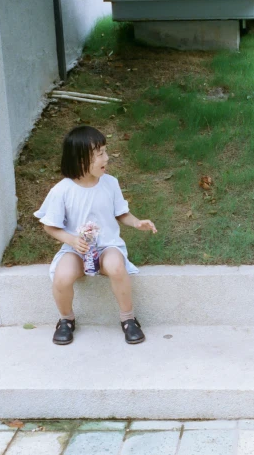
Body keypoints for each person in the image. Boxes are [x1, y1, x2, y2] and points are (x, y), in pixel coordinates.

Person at [34, 126, 157, 346]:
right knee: (61, 277)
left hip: (107, 247)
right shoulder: (62, 190)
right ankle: (66, 319)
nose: (106, 158)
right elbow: (49, 226)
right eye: (99, 154)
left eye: (105, 152)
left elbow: (121, 213)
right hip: (76, 249)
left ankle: (128, 319)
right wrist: (72, 240)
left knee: (117, 267)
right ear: (79, 159)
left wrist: (137, 222)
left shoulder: (110, 183)